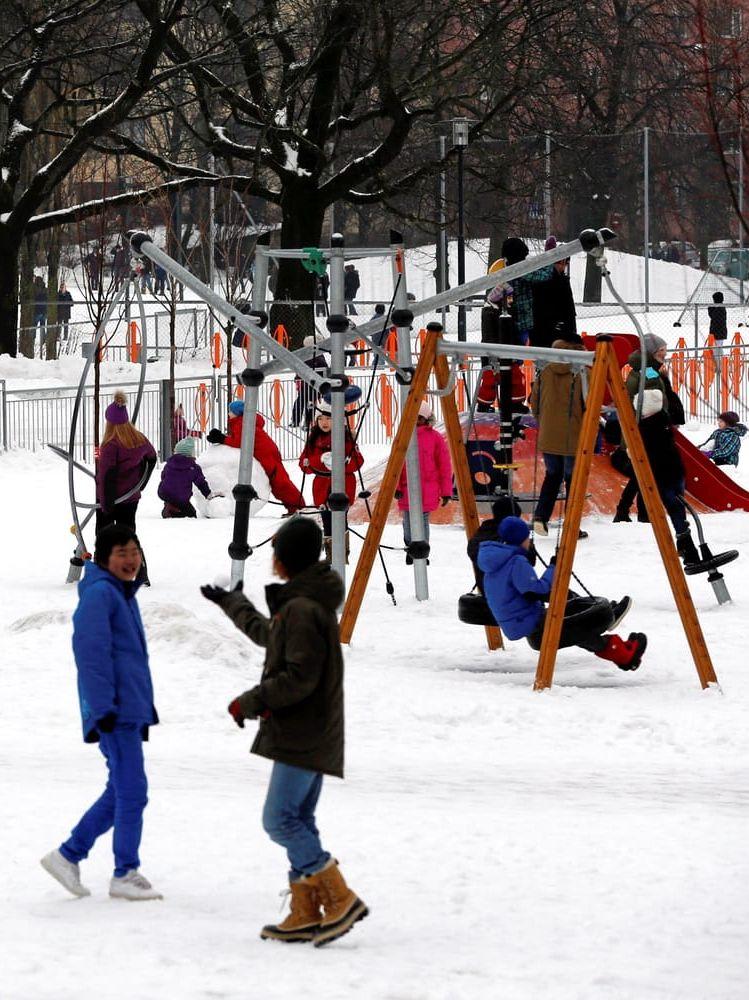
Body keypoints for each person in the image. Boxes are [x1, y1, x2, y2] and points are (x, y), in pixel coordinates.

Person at [200, 517, 368, 946]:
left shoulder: (303, 608)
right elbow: (271, 637)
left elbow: (298, 677)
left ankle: (338, 895)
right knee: (298, 818)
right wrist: (232, 604)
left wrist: (251, 700)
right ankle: (305, 910)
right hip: (312, 730)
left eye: (275, 550)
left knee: (279, 820)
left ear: (283, 559)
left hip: (302, 732)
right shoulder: (305, 602)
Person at [40, 524, 162, 901]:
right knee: (133, 792)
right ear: (106, 558)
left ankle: (67, 855)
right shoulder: (101, 596)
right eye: (121, 553)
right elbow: (91, 655)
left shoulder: (122, 593)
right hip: (115, 710)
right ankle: (125, 872)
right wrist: (104, 708)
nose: (130, 559)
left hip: (128, 708)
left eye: (134, 551)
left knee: (121, 791)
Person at [478, 516, 646, 670]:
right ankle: (618, 643)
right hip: (530, 622)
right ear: (521, 539)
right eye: (527, 537)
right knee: (576, 624)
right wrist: (554, 566)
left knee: (571, 619)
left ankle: (619, 647)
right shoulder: (515, 562)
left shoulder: (494, 563)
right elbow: (538, 590)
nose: (529, 540)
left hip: (518, 622)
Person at [623, 334, 699, 565]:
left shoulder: (645, 371)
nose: (665, 354)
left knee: (668, 485)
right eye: (661, 350)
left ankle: (681, 535)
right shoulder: (650, 374)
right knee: (672, 486)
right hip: (655, 435)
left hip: (653, 434)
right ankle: (683, 538)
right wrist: (667, 416)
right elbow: (654, 403)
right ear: (651, 352)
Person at [530, 334, 588, 539]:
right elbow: (588, 403)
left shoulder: (544, 370)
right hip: (574, 435)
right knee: (574, 480)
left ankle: (540, 517)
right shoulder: (582, 369)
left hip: (548, 434)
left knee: (552, 476)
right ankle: (572, 525)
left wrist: (544, 422)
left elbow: (534, 403)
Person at [207, 401, 305, 515]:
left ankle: (299, 508)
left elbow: (241, 442)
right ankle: (295, 508)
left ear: (237, 413)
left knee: (280, 484)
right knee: (280, 484)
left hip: (265, 456)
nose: (228, 413)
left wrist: (222, 439)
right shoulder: (244, 422)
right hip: (269, 454)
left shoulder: (242, 423)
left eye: (230, 411)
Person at [299, 398, 364, 562]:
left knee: (341, 519)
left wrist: (340, 463)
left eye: (328, 418)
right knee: (327, 521)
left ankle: (341, 554)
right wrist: (319, 460)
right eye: (320, 418)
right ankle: (330, 554)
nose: (324, 422)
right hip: (322, 488)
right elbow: (304, 464)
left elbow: (358, 462)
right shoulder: (314, 439)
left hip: (343, 486)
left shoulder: (346, 438)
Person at [395, 400, 453, 564]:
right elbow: (396, 465)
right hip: (407, 488)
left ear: (426, 419)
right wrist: (396, 486)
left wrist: (446, 491)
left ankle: (422, 550)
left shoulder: (435, 438)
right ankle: (410, 546)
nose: (415, 421)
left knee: (422, 520)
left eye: (419, 418)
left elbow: (444, 466)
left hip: (428, 488)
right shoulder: (403, 436)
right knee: (407, 521)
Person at [96, 391, 157, 539]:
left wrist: (105, 504)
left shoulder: (110, 444)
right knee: (127, 534)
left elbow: (106, 475)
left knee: (106, 539)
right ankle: (130, 560)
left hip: (110, 499)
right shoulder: (139, 439)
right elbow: (152, 457)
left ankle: (105, 561)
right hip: (130, 497)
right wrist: (141, 482)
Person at [486, 237, 554, 345]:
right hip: (525, 323)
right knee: (527, 353)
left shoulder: (505, 271)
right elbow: (545, 275)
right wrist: (551, 255)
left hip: (511, 322)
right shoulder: (522, 270)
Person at [467, 494, 525, 594]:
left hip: (487, 592)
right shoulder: (510, 538)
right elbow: (527, 563)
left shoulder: (479, 536)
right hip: (510, 595)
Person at [531, 236, 577, 349]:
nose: (564, 267)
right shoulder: (553, 280)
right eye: (564, 264)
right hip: (552, 331)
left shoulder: (557, 278)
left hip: (552, 329)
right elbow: (566, 309)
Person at [158, 437, 222, 517]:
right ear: (191, 453)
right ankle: (173, 510)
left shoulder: (169, 464)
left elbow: (163, 476)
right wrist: (208, 494)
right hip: (181, 497)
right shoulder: (193, 467)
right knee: (191, 514)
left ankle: (169, 505)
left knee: (172, 496)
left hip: (164, 493)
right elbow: (201, 483)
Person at [708, 291, 727, 359]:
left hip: (717, 332)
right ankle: (719, 364)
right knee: (717, 349)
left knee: (717, 350)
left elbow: (713, 316)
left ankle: (720, 364)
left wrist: (711, 308)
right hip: (719, 332)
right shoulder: (721, 307)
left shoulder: (720, 308)